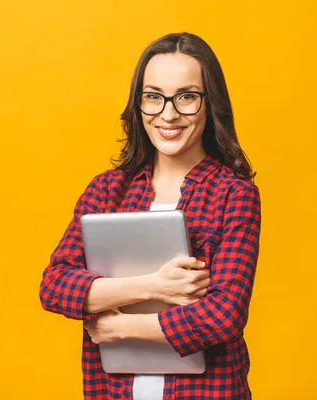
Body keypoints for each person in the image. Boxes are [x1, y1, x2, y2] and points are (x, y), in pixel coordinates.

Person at [39, 32, 261, 400]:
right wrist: (155, 286)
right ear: (139, 104)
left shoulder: (234, 194)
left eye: (187, 97)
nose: (168, 114)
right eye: (154, 97)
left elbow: (223, 316)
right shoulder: (106, 191)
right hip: (113, 392)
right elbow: (54, 286)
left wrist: (121, 327)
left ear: (211, 104)